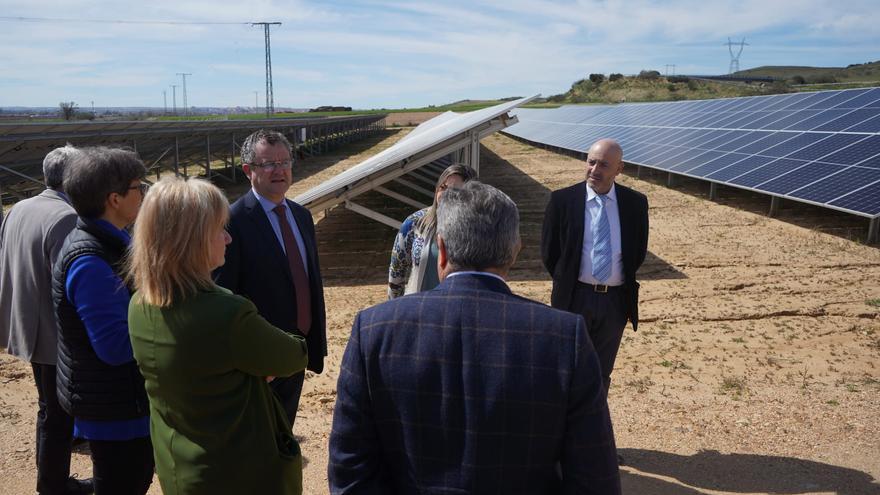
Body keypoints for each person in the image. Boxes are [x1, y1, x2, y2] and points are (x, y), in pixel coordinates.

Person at [329, 181, 620, 494]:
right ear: (515, 250)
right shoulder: (564, 339)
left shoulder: (374, 330)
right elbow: (595, 478)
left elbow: (351, 470)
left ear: (441, 250)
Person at [127, 177, 309, 495]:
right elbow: (294, 355)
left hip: (180, 466)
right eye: (219, 230)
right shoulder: (227, 313)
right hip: (235, 472)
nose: (228, 238)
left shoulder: (140, 304)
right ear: (192, 242)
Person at [52, 147, 154, 495]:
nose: (144, 193)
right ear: (114, 199)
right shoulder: (90, 260)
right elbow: (115, 347)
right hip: (115, 410)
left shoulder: (109, 242)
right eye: (138, 187)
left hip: (116, 400)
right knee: (123, 483)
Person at [214, 129, 327, 427]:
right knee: (258, 440)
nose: (279, 170)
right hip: (260, 362)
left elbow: (308, 281)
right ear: (249, 170)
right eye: (268, 164)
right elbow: (223, 295)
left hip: (296, 351)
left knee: (283, 431)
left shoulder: (301, 216)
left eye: (284, 162)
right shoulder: (232, 222)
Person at [0, 145, 94, 495]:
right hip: (56, 336)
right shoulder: (66, 217)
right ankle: (54, 485)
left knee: (48, 409)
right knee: (58, 415)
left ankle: (50, 480)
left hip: (25, 326)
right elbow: (70, 284)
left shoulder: (18, 208)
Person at [541, 138, 649, 389]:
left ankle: (591, 423)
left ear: (618, 169)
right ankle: (564, 423)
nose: (594, 170)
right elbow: (550, 253)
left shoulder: (635, 203)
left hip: (614, 303)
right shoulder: (562, 201)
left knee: (600, 373)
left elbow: (637, 252)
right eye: (591, 162)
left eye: (603, 165)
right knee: (567, 367)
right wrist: (568, 282)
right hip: (574, 298)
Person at [388, 163, 477, 298]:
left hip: (458, 312)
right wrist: (394, 309)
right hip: (418, 311)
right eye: (443, 188)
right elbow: (396, 274)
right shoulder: (414, 223)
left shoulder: (480, 229)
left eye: (455, 191)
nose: (446, 195)